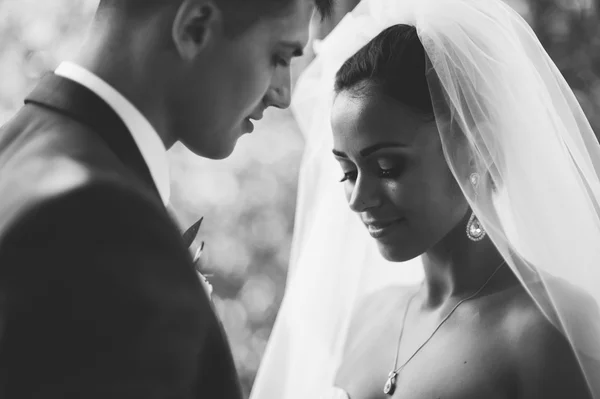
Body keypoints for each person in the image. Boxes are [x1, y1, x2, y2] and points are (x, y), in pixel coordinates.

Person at [251, 0, 600, 398]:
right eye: (348, 172)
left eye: (387, 167)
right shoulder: (367, 317)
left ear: (477, 150)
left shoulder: (547, 332)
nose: (358, 199)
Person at [0, 0, 333, 397]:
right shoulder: (101, 222)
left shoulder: (16, 151)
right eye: (279, 56)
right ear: (196, 26)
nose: (283, 94)